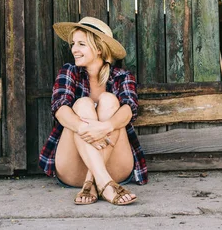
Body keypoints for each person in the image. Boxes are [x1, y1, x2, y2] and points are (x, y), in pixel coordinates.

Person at [39, 16, 148, 206]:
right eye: (73, 44)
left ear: (98, 49)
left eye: (81, 44)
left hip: (116, 166)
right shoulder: (69, 72)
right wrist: (83, 128)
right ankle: (105, 184)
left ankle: (93, 181)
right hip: (73, 168)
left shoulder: (121, 76)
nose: (74, 49)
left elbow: (129, 110)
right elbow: (60, 109)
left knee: (109, 100)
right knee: (81, 105)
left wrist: (105, 126)